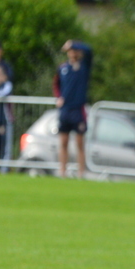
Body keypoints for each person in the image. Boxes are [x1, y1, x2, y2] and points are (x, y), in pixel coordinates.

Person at [53, 39, 93, 179]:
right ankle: (62, 172)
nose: (73, 53)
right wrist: (58, 97)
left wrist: (73, 43)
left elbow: (89, 50)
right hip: (65, 110)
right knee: (63, 142)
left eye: (75, 50)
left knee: (79, 143)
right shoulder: (63, 67)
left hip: (78, 110)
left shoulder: (84, 66)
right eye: (71, 50)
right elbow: (56, 85)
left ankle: (81, 173)